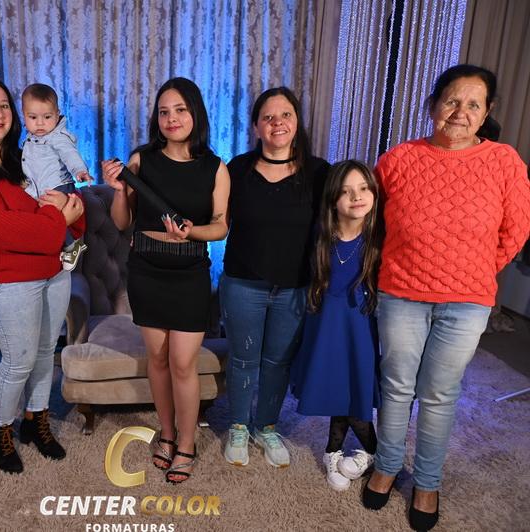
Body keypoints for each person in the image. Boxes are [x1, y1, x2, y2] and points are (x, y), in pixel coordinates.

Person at [362, 64, 530, 531]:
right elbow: (374, 224)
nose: (460, 112)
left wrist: (474, 270)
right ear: (433, 104)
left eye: (473, 104)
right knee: (397, 385)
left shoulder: (504, 161)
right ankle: (387, 466)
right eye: (452, 100)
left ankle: (428, 481)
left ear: (486, 113)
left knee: (439, 393)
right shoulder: (397, 159)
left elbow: (516, 230)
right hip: (401, 291)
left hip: (467, 301)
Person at [0, 76, 86, 474]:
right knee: (18, 361)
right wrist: (56, 218)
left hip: (54, 270)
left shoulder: (23, 156)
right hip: (9, 279)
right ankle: (1, 430)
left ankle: (36, 420)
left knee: (44, 354)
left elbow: (68, 199)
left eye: (4, 105)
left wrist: (69, 209)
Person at [102, 77, 231, 483]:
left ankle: (187, 443)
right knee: (157, 359)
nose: (171, 118)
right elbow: (121, 222)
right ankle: (168, 433)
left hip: (189, 273)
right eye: (164, 111)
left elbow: (221, 226)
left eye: (180, 110)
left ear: (195, 113)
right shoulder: (141, 160)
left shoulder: (215, 167)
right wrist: (118, 190)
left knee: (182, 363)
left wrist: (191, 232)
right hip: (146, 270)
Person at [221, 87, 329, 468]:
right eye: (268, 117)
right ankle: (238, 425)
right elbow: (217, 220)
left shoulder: (319, 172)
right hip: (242, 284)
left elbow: (339, 222)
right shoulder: (237, 169)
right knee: (243, 359)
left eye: (285, 115)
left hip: (294, 288)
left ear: (297, 122)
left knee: (277, 363)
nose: (277, 123)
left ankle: (266, 426)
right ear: (256, 127)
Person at [290, 160, 381, 491]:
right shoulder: (320, 238)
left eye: (363, 189)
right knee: (338, 388)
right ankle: (335, 451)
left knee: (355, 390)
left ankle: (376, 454)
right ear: (332, 200)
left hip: (360, 327)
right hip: (327, 325)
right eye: (345, 191)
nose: (356, 197)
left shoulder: (378, 239)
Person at [21, 83, 92, 270]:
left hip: (59, 186)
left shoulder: (57, 136)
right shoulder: (31, 139)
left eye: (47, 117)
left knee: (57, 217)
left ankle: (72, 245)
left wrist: (80, 171)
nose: (40, 123)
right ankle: (55, 249)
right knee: (45, 220)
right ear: (24, 115)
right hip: (42, 189)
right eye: (33, 117)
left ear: (57, 113)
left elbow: (69, 154)